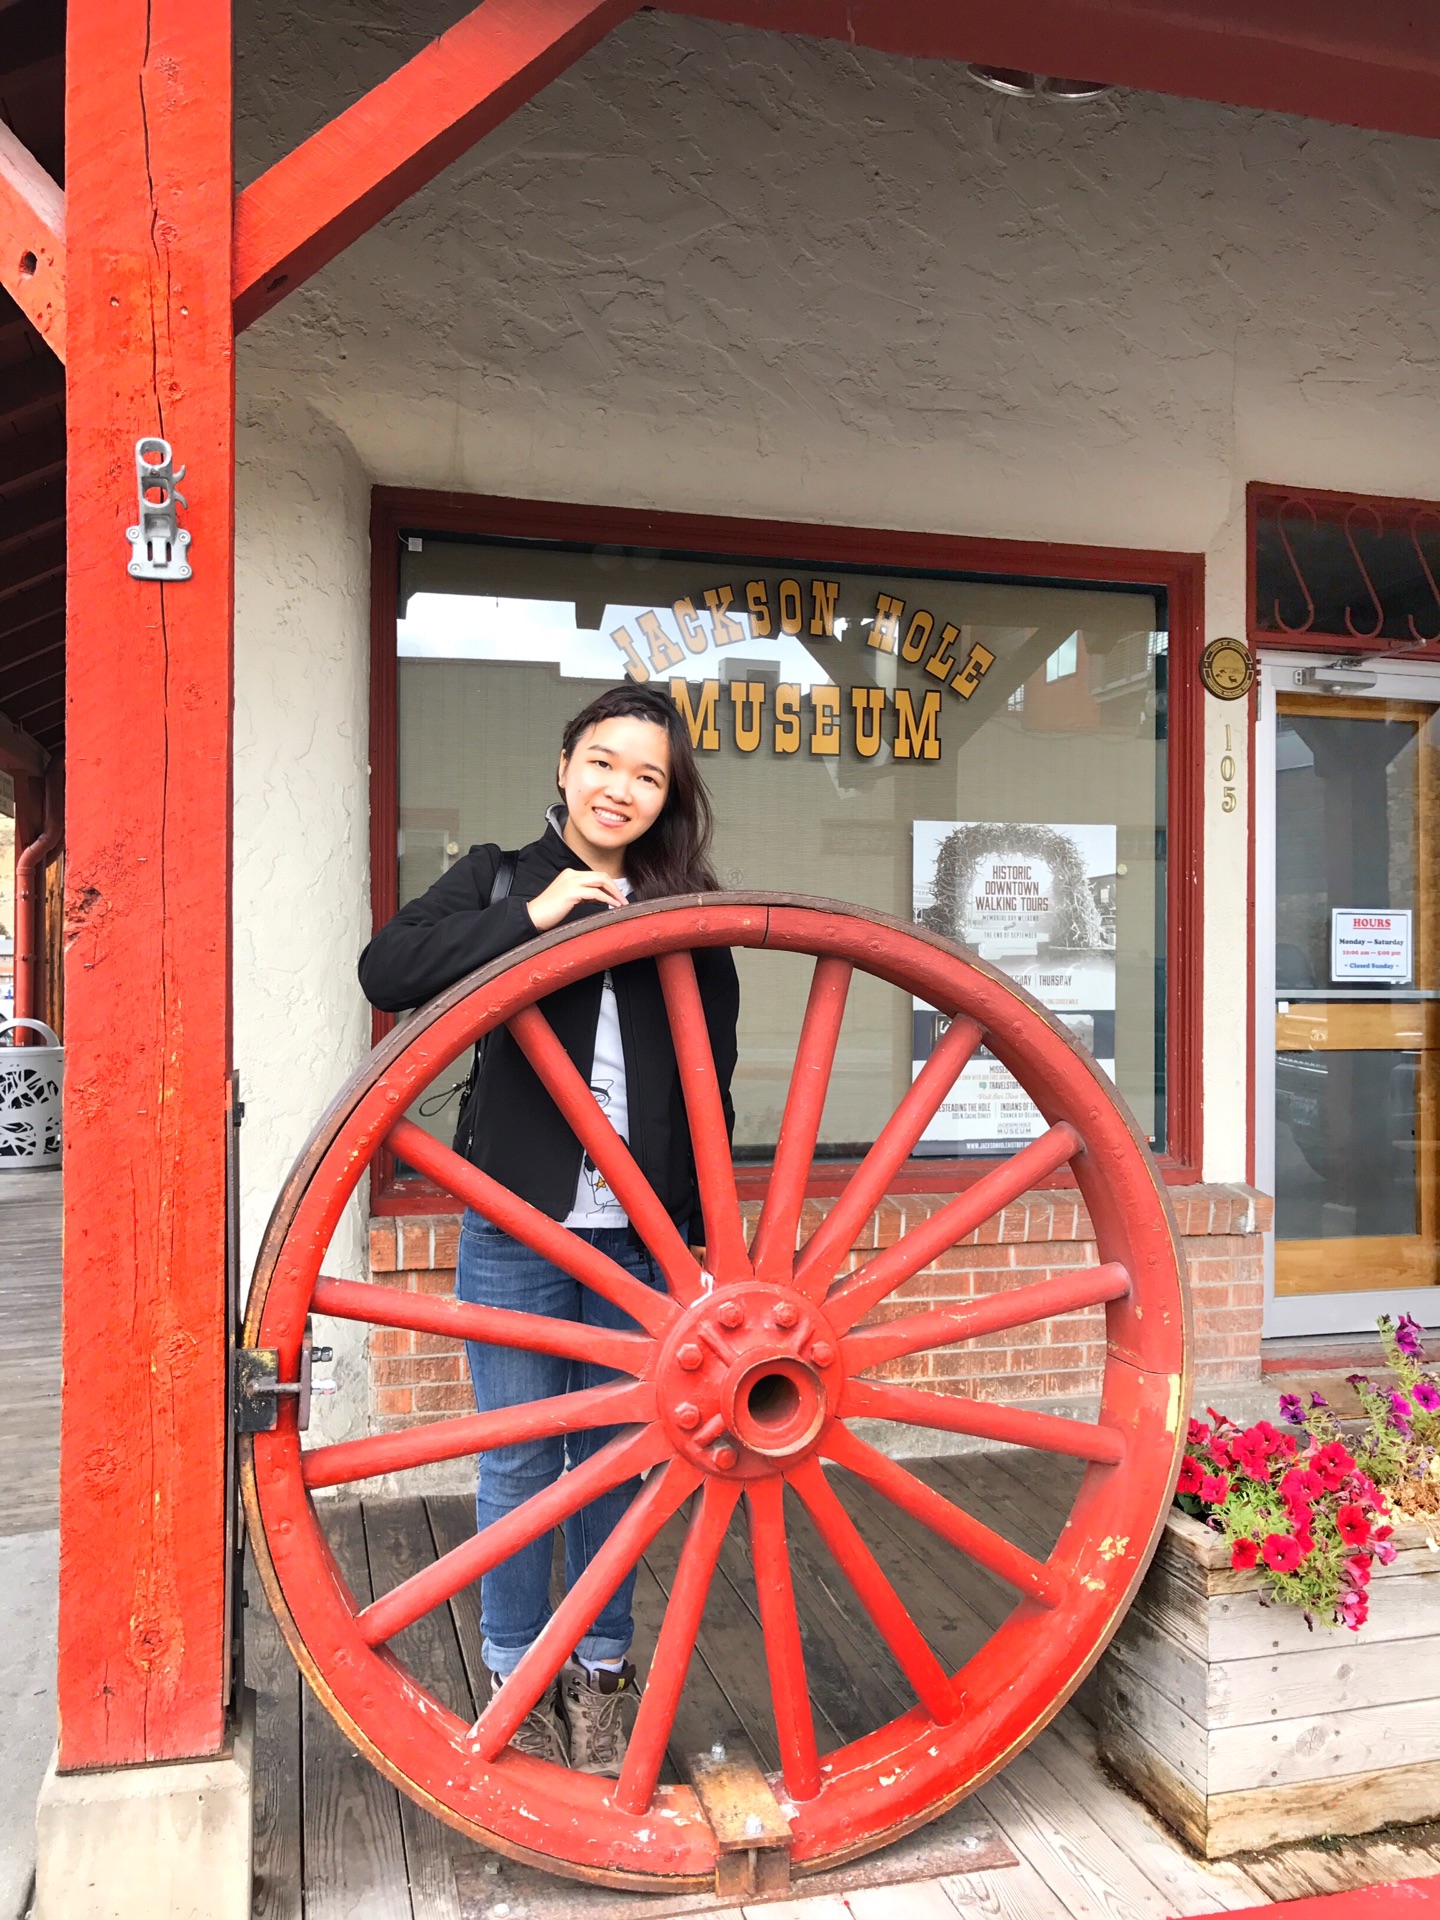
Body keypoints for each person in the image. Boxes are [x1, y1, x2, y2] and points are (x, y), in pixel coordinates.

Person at [359, 683, 739, 1774]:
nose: (622, 787)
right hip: (522, 1223)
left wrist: (705, 1243)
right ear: (567, 765)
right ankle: (515, 1668)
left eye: (648, 775)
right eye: (606, 762)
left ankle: (600, 1677)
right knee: (520, 1460)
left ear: (668, 798)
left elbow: (710, 1077)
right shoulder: (496, 877)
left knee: (618, 1460)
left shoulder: (686, 907)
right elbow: (385, 972)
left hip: (643, 1238)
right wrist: (532, 921)